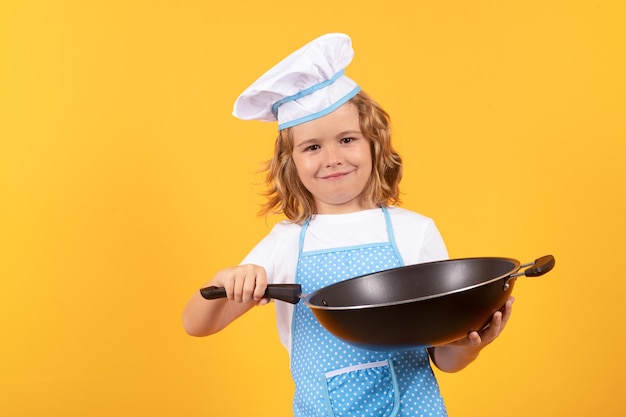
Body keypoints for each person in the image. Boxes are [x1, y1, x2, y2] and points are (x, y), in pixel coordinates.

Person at [182, 33, 513, 417]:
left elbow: (445, 358)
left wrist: (470, 343)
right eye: (312, 147)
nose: (333, 158)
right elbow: (196, 324)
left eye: (347, 139)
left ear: (375, 143)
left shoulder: (415, 232)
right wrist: (227, 282)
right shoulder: (284, 244)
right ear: (291, 163)